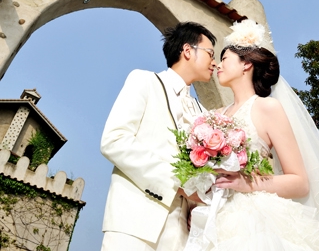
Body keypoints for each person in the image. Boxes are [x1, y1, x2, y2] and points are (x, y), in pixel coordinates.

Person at [186, 19, 319, 251]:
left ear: (246, 64)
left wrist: (247, 184)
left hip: (254, 221)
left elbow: (300, 182)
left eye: (224, 58)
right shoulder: (215, 116)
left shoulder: (268, 108)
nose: (217, 65)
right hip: (215, 215)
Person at [100, 21, 217, 251]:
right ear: (187, 51)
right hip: (134, 220)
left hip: (182, 230)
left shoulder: (204, 114)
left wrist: (197, 202)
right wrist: (176, 183)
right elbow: (114, 140)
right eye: (210, 53)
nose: (214, 62)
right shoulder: (144, 81)